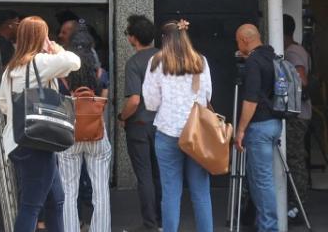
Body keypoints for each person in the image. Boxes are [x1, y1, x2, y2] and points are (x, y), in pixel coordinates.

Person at [0, 16, 80, 232]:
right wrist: (55, 48)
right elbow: (74, 62)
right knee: (31, 206)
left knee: (55, 200)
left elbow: (3, 104)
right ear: (41, 38)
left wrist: (22, 110)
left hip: (19, 140)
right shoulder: (40, 62)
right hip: (39, 142)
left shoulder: (11, 69)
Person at [142, 20, 212, 232]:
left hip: (167, 131)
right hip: (196, 133)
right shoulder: (201, 61)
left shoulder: (156, 62)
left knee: (171, 192)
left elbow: (151, 102)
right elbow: (207, 95)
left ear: (164, 39)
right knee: (200, 192)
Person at [57, 32, 111, 232]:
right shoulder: (100, 74)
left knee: (69, 191)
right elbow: (103, 104)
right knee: (101, 189)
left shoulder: (62, 76)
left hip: (69, 134)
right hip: (96, 133)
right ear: (92, 50)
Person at [235, 23, 281, 232]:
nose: (237, 45)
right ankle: (265, 225)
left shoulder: (253, 62)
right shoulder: (271, 56)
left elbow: (251, 99)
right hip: (274, 123)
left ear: (244, 40)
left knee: (262, 182)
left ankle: (269, 228)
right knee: (260, 179)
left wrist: (241, 129)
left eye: (238, 41)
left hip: (259, 126)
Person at [117, 14, 162, 231]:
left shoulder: (134, 63)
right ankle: (162, 220)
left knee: (144, 176)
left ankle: (149, 224)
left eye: (128, 34)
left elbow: (134, 100)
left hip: (140, 125)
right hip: (163, 124)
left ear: (133, 38)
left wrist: (122, 117)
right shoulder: (166, 58)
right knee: (159, 173)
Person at [283, 14, 311, 217]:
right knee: (295, 157)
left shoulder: (292, 52)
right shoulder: (299, 49)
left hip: (297, 114)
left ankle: (297, 206)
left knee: (294, 159)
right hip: (301, 113)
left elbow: (302, 79)